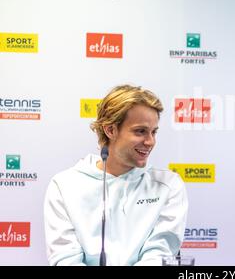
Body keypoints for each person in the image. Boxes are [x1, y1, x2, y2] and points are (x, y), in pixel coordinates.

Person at [44, 84, 188, 266]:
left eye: (153, 132)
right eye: (140, 131)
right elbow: (65, 259)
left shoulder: (168, 185)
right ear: (110, 130)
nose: (150, 141)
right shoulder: (64, 185)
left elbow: (159, 255)